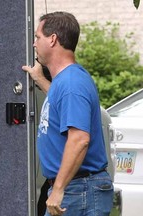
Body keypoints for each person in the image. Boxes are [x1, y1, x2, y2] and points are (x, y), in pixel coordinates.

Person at [23, 12, 114, 216]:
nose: (34, 44)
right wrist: (39, 79)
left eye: (38, 37)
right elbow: (62, 103)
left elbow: (80, 139)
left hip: (78, 189)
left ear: (53, 39)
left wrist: (58, 189)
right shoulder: (66, 81)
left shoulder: (72, 83)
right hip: (77, 188)